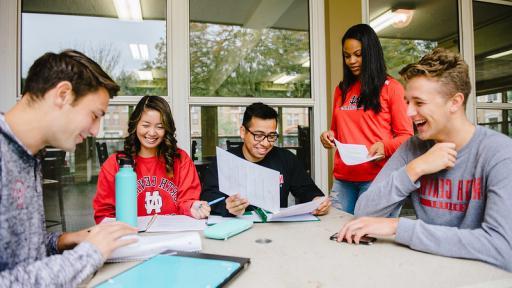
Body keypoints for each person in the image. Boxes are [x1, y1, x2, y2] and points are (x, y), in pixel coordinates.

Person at [336, 48, 512, 272]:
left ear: (455, 102)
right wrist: (415, 169)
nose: (408, 112)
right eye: (407, 102)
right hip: (426, 270)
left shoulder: (500, 153)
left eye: (418, 103)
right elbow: (364, 211)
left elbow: (503, 248)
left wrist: (399, 227)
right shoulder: (414, 147)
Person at [0, 50, 138, 286]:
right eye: (95, 115)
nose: (96, 131)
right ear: (63, 94)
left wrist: (62, 241)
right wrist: (90, 254)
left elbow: (14, 254)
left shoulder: (27, 157)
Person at [320, 24, 413, 214]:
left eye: (358, 54)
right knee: (333, 233)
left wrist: (385, 146)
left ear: (370, 53)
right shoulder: (341, 90)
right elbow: (336, 131)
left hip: (377, 178)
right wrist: (328, 136)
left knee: (368, 236)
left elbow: (407, 136)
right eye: (347, 56)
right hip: (343, 178)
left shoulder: (391, 87)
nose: (352, 61)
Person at [93, 96, 210, 223]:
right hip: (130, 238)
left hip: (173, 236)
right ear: (135, 125)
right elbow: (104, 213)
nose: (152, 133)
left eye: (160, 127)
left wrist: (192, 207)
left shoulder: (181, 160)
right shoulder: (114, 164)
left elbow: (188, 201)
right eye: (146, 125)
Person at [201, 102, 331, 217]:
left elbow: (306, 189)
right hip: (236, 227)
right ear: (242, 132)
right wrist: (226, 206)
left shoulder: (286, 159)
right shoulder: (225, 161)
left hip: (277, 229)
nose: (265, 143)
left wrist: (317, 200)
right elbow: (208, 198)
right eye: (258, 135)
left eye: (271, 136)